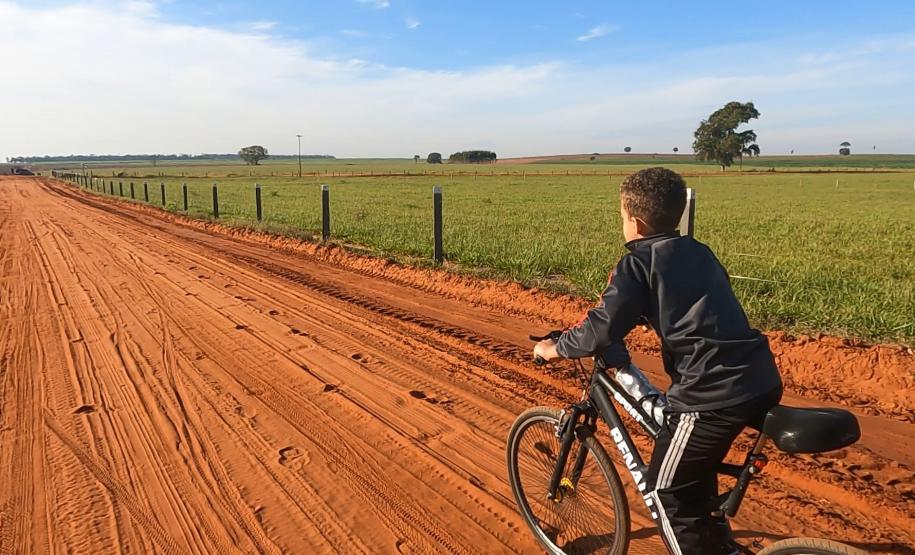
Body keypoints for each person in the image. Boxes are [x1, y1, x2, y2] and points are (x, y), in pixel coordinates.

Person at [533, 167, 783, 555]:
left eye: (621, 217)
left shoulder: (638, 264)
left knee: (666, 492)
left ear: (635, 220)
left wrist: (555, 347)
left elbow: (601, 328)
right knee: (691, 477)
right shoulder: (699, 252)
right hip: (760, 377)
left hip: (710, 395)